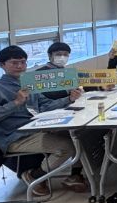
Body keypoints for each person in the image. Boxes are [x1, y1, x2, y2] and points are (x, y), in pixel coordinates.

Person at [0, 46, 83, 197]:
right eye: (14, 63)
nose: (20, 66)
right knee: (67, 147)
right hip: (15, 136)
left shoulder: (28, 84)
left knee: (77, 135)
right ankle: (35, 176)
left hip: (36, 128)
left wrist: (69, 99)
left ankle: (74, 176)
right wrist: (15, 103)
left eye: (23, 62)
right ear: (2, 65)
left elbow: (44, 105)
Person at [35, 42, 87, 191]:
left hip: (68, 112)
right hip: (50, 117)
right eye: (58, 54)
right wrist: (68, 97)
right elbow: (45, 102)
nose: (62, 57)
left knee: (83, 135)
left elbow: (74, 92)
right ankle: (38, 176)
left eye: (65, 55)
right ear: (50, 56)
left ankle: (76, 174)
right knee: (77, 136)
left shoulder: (67, 73)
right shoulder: (40, 75)